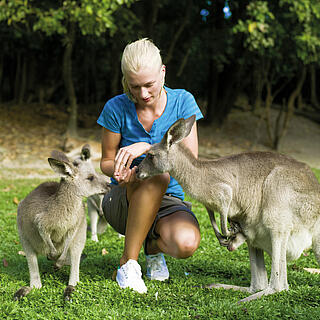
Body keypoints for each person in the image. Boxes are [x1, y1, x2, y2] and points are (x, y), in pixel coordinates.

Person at [97, 38, 203, 293]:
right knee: (155, 176)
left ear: (163, 72)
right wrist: (121, 173)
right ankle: (128, 263)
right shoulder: (116, 108)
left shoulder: (183, 102)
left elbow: (190, 161)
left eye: (149, 85)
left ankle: (153, 249)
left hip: (169, 202)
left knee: (186, 243)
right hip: (123, 198)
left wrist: (146, 148)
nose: (142, 94)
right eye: (134, 87)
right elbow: (105, 163)